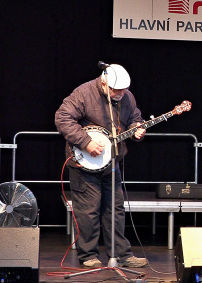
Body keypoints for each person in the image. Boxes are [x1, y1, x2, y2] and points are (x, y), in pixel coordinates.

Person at [54, 64, 149, 269]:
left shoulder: (127, 97)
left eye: (124, 90)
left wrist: (136, 129)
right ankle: (88, 255)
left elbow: (135, 119)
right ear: (104, 83)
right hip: (84, 164)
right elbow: (62, 117)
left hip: (111, 162)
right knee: (88, 211)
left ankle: (121, 254)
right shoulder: (84, 93)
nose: (121, 94)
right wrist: (85, 141)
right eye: (116, 90)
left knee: (115, 209)